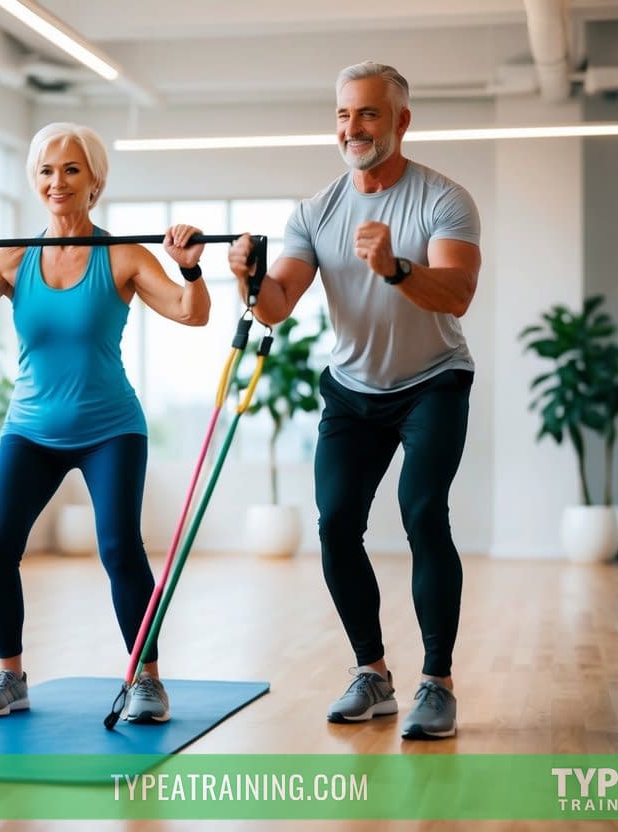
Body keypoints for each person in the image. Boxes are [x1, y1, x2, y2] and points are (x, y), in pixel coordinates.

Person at [0, 122, 211, 723]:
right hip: (31, 429)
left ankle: (147, 679)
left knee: (118, 548)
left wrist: (190, 269)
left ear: (94, 182)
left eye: (70, 170)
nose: (56, 182)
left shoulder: (122, 256)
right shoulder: (16, 258)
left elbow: (192, 315)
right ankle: (10, 677)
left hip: (111, 427)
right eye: (45, 171)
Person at [228, 61, 481, 739]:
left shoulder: (442, 200)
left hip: (432, 379)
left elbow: (457, 294)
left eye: (368, 114)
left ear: (400, 121)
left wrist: (397, 267)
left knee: (422, 511)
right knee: (335, 523)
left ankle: (437, 683)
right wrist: (248, 276)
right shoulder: (315, 212)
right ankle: (371, 673)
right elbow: (276, 305)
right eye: (343, 114)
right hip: (352, 390)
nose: (352, 127)